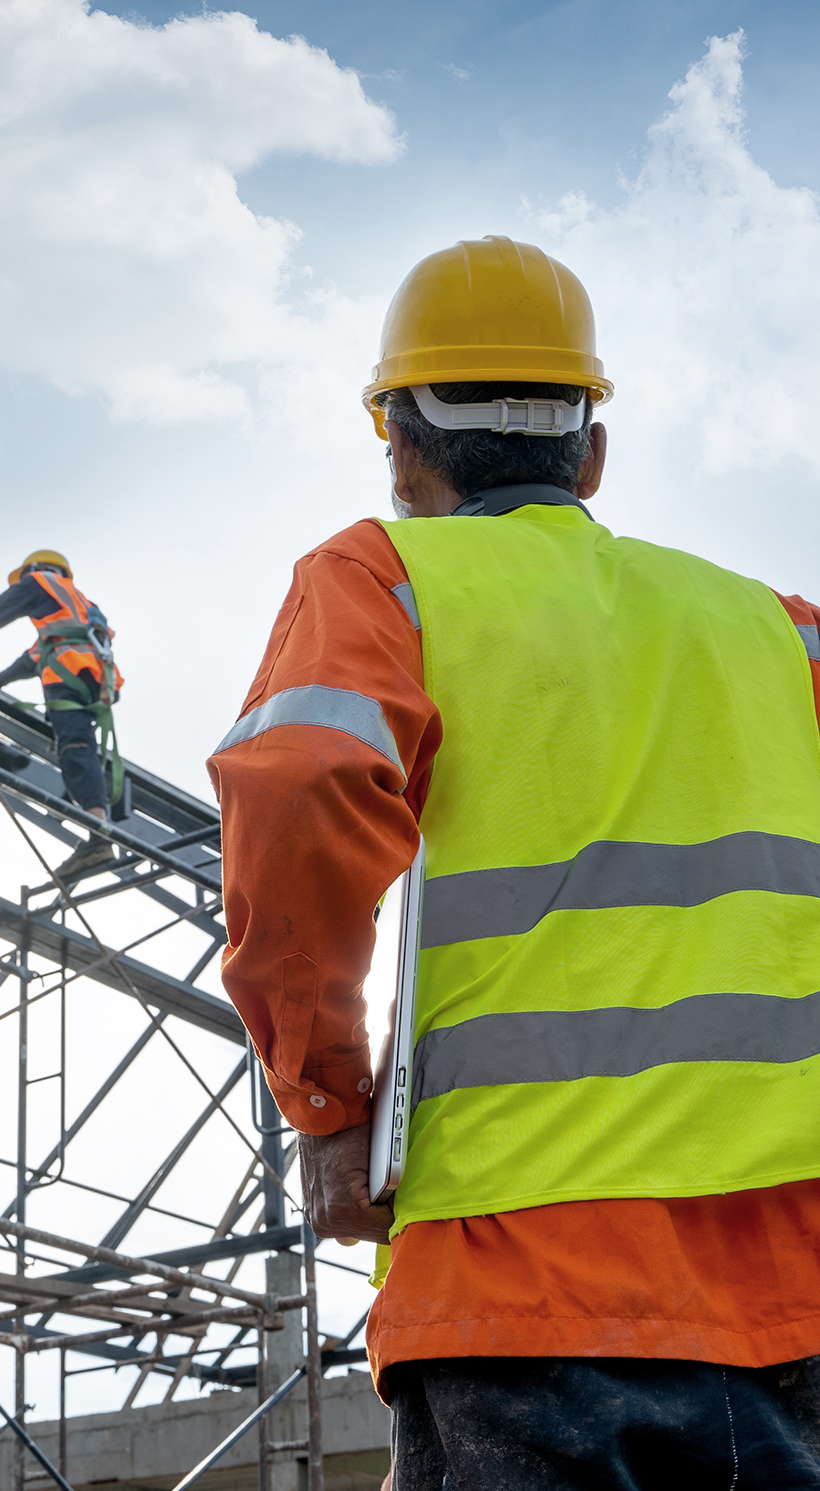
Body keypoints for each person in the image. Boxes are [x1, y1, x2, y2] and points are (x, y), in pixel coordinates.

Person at [209, 236, 820, 1487]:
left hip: (517, 1285)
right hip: (796, 1291)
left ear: (398, 443)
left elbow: (301, 789)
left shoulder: (382, 580)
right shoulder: (779, 631)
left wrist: (327, 1104)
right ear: (591, 449)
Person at [0, 549, 123, 881]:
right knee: (76, 742)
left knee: (75, 747)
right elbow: (33, 657)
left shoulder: (38, 582)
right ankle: (97, 830)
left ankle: (98, 833)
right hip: (94, 678)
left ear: (34, 570)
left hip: (69, 675)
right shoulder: (80, 608)